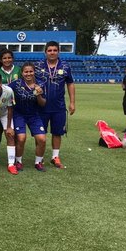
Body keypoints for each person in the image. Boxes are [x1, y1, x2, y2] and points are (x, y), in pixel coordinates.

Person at [36, 41, 75, 169]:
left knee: (57, 132)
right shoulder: (38, 66)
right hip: (41, 105)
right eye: (50, 50)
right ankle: (39, 158)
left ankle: (55, 157)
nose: (52, 52)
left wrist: (72, 102)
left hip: (58, 106)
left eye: (55, 50)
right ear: (45, 52)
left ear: (58, 51)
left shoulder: (65, 66)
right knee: (40, 133)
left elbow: (70, 83)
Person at [9, 63, 47, 172]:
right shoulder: (16, 84)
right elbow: (4, 90)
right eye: (26, 71)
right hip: (19, 114)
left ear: (34, 72)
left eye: (31, 71)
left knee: (42, 139)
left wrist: (39, 94)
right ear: (22, 73)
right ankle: (18, 161)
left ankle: (38, 162)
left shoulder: (39, 85)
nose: (28, 74)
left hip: (34, 115)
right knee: (21, 138)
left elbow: (43, 104)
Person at [0, 48, 21, 165]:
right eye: (4, 58)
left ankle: (14, 156)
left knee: (12, 131)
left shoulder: (18, 70)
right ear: (1, 59)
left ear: (12, 58)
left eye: (9, 57)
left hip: (16, 105)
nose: (7, 60)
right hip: (1, 105)